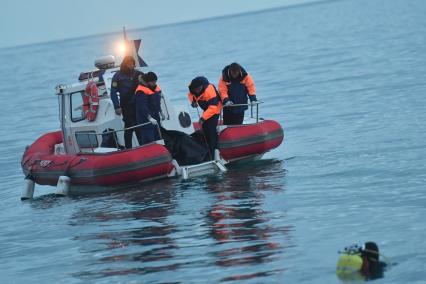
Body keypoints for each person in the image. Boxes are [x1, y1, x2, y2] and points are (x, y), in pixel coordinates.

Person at [110, 56, 143, 149]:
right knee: (129, 126)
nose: (131, 65)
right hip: (126, 105)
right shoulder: (118, 76)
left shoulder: (138, 74)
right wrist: (117, 106)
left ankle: (143, 146)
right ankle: (128, 148)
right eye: (129, 63)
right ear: (124, 64)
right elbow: (113, 92)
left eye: (132, 63)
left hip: (138, 105)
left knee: (139, 126)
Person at [187, 76, 222, 158]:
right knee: (205, 129)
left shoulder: (209, 91)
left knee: (211, 130)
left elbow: (213, 108)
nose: (197, 90)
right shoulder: (192, 89)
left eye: (198, 89)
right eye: (195, 89)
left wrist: (203, 118)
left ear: (201, 86)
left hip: (215, 109)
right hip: (206, 109)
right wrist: (193, 102)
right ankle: (208, 149)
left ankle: (214, 151)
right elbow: (190, 95)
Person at [135, 72, 163, 145]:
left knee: (159, 135)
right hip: (145, 119)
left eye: (155, 81)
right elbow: (142, 106)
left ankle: (160, 149)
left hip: (156, 116)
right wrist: (149, 117)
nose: (155, 83)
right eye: (153, 82)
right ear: (148, 81)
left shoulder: (154, 88)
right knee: (149, 138)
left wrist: (161, 112)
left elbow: (157, 102)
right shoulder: (140, 91)